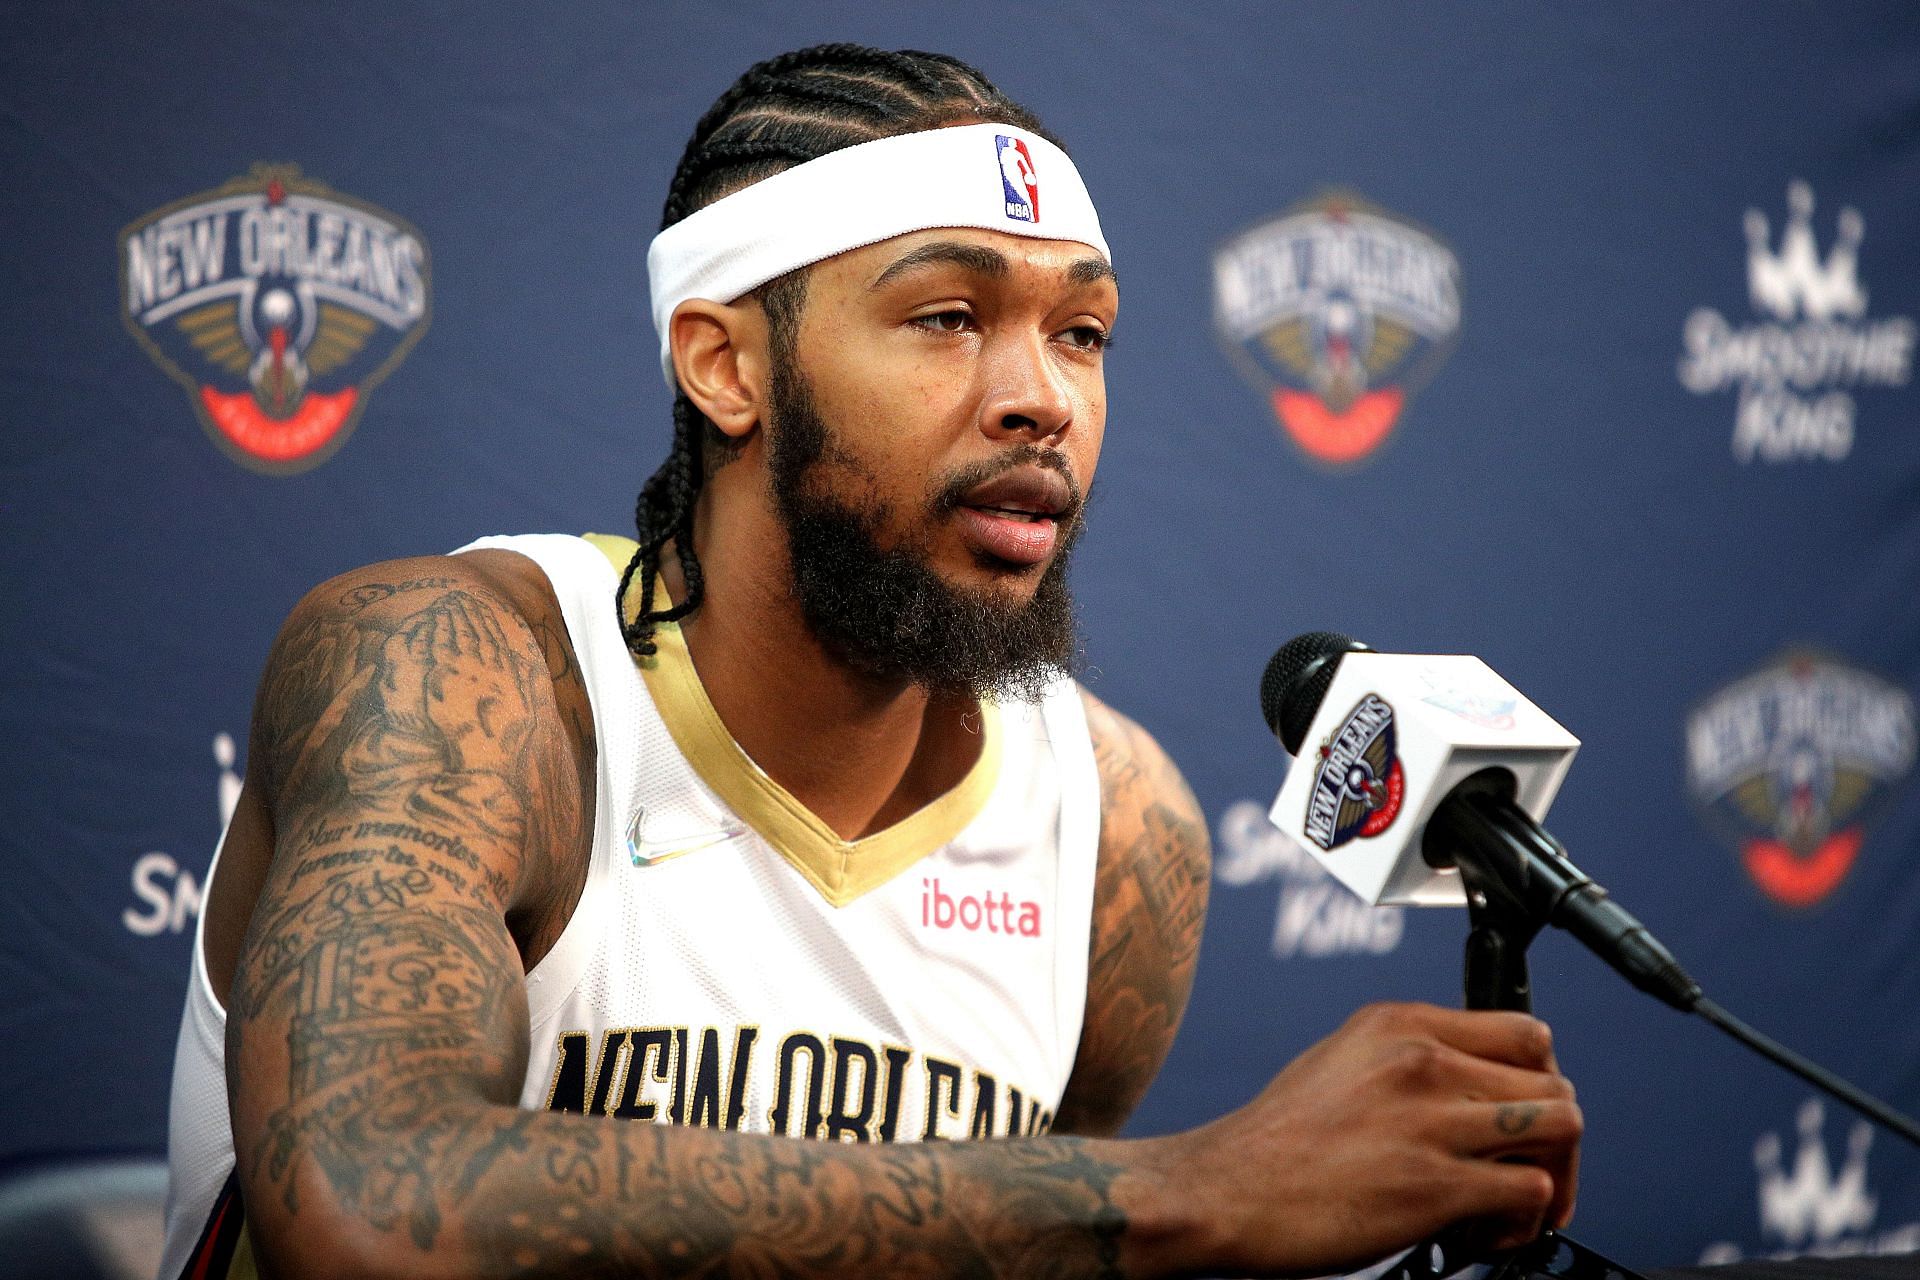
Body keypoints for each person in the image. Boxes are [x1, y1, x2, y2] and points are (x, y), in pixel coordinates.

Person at [157, 43, 1581, 1280]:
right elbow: (365, 1207)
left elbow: (1017, 1242)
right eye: (948, 317)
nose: (1041, 399)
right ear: (727, 367)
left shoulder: (1117, 826)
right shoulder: (462, 674)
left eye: (1082, 334)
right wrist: (1198, 1193)